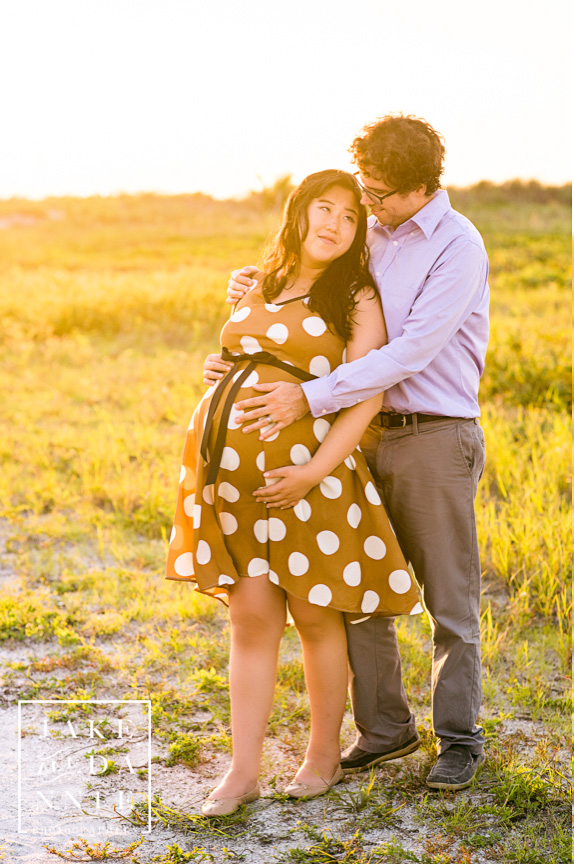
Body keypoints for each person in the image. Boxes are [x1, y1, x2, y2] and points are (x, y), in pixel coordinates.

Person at [206, 114, 491, 791]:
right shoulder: (369, 237)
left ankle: (459, 738)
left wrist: (309, 399)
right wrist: (255, 309)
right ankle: (385, 729)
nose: (365, 204)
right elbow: (319, 308)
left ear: (420, 189)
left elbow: (407, 352)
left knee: (447, 596)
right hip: (356, 436)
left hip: (431, 433)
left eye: (379, 194)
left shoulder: (456, 246)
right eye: (361, 188)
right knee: (357, 587)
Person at [167, 169, 420, 816]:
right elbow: (241, 354)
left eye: (349, 216)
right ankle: (242, 770)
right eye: (323, 209)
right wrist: (218, 370)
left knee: (313, 616)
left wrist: (314, 471)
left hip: (310, 475)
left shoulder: (357, 296)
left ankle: (321, 757)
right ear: (298, 212)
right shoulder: (262, 280)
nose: (334, 223)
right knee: (250, 618)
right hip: (228, 476)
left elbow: (368, 390)